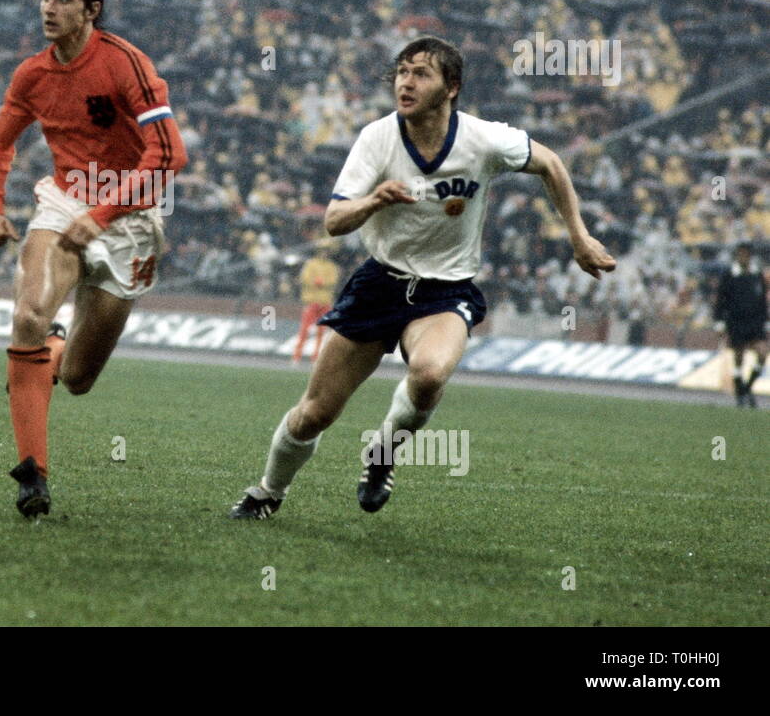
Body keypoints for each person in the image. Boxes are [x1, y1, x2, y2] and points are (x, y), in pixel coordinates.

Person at [230, 36, 616, 519]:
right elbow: (333, 220)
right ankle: (267, 492)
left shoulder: (483, 139)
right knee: (316, 412)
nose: (405, 83)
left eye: (420, 73)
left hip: (444, 291)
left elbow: (552, 163)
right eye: (401, 72)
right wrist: (374, 201)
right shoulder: (377, 138)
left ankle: (383, 453)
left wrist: (579, 238)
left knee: (430, 373)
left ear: (451, 87)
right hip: (379, 284)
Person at [0, 0, 187, 518]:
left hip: (131, 218)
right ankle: (32, 475)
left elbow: (169, 154)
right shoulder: (31, 75)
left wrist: (107, 211)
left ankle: (58, 347)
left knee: (76, 380)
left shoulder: (126, 63)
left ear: (92, 10)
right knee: (27, 317)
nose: (49, 7)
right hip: (65, 202)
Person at [713, 242, 767, 408]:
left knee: (762, 353)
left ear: (750, 256)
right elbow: (720, 300)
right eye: (740, 254)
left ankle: (747, 387)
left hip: (755, 322)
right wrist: (719, 322)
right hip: (736, 321)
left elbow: (762, 300)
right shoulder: (730, 274)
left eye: (746, 254)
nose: (743, 257)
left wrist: (766, 321)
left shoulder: (757, 274)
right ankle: (740, 391)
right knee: (739, 356)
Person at [293, 245, 341, 363]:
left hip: (325, 301)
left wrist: (320, 282)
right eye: (322, 251)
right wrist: (318, 283)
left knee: (322, 332)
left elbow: (333, 281)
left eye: (326, 252)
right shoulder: (311, 264)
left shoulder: (331, 266)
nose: (324, 254)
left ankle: (316, 357)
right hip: (311, 301)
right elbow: (305, 279)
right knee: (304, 330)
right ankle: (297, 356)